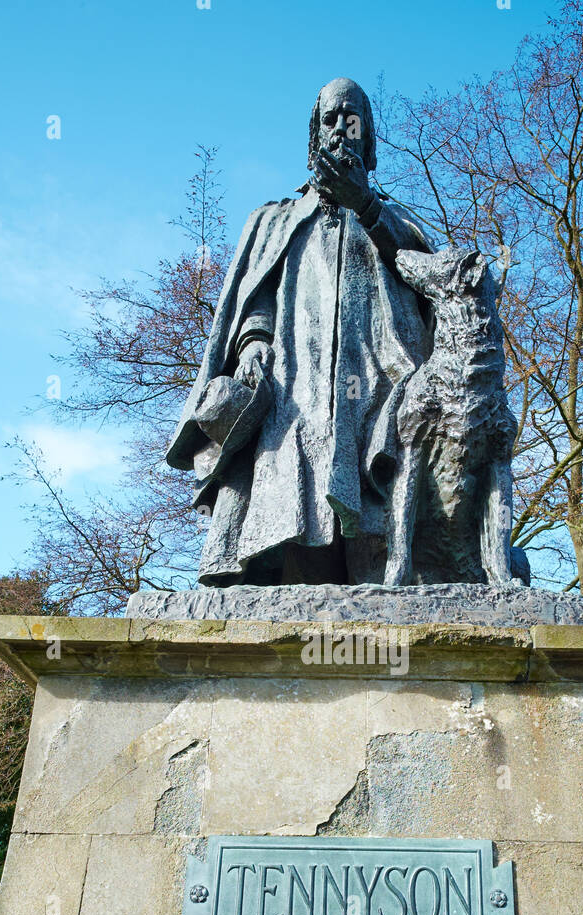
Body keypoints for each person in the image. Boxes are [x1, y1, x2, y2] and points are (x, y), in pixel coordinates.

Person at [167, 78, 434, 585]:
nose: (340, 129)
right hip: (297, 383)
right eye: (330, 119)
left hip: (377, 381)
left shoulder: (394, 221)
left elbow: (430, 279)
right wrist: (251, 345)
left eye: (351, 119)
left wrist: (368, 209)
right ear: (314, 136)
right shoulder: (277, 220)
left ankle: (387, 567)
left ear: (369, 140)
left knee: (378, 462)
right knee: (293, 454)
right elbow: (256, 301)